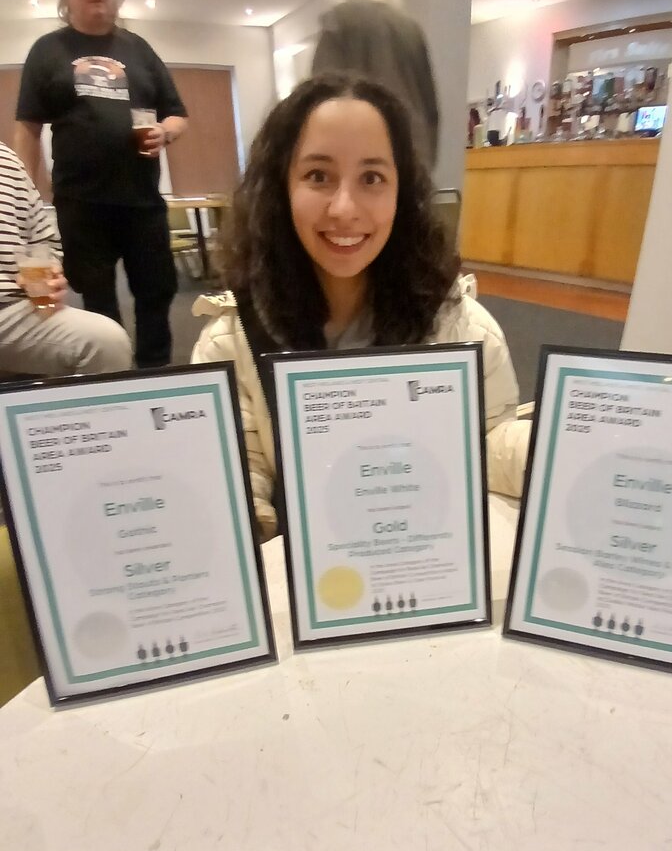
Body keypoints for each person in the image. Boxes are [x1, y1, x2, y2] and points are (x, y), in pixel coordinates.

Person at [191, 74, 530, 540]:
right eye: (318, 176)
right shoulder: (230, 341)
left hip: (417, 568)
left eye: (372, 178)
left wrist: (559, 447)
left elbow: (489, 444)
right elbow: (241, 472)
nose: (344, 208)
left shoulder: (461, 326)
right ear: (280, 188)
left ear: (402, 192)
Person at [13, 0, 188, 368]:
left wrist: (166, 132)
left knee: (157, 291)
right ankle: (110, 382)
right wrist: (24, 197)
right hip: (81, 204)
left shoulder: (139, 49)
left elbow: (178, 115)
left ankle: (156, 374)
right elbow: (28, 128)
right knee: (97, 300)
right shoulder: (47, 50)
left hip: (143, 202)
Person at [0, 142, 132, 376]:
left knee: (105, 341)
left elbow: (43, 241)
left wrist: (51, 274)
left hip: (13, 310)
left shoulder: (7, 159)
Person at [311, 0, 439, 170]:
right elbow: (430, 108)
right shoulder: (411, 29)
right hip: (412, 148)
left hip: (355, 149)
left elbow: (318, 96)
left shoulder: (338, 20)